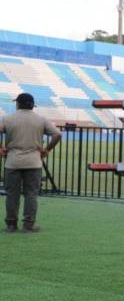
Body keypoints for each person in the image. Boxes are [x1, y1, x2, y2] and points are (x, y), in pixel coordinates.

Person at [0, 93, 61, 232]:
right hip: (34, 162)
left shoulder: (8, 118)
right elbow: (57, 134)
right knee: (31, 195)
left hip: (12, 162)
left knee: (12, 195)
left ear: (17, 104)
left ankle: (11, 225)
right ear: (33, 105)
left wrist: (1, 149)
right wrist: (47, 150)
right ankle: (28, 225)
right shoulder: (41, 119)